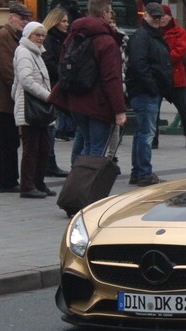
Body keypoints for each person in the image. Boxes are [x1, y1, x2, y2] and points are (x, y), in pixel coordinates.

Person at [49, 0, 126, 160]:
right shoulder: (106, 41)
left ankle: (77, 180)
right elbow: (111, 78)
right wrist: (119, 110)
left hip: (76, 101)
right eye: (110, 12)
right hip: (99, 104)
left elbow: (62, 65)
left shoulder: (73, 35)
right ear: (105, 13)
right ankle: (88, 184)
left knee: (88, 144)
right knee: (97, 150)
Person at [125, 2, 173, 186]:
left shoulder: (150, 35)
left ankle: (138, 172)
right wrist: (153, 87)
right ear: (145, 15)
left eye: (159, 16)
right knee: (146, 134)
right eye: (154, 16)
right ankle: (143, 173)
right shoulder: (143, 37)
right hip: (145, 91)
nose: (158, 20)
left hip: (148, 90)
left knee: (142, 133)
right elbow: (139, 65)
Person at [12, 22, 56, 198]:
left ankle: (38, 182)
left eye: (43, 35)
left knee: (43, 147)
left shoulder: (36, 53)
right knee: (31, 149)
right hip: (30, 108)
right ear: (29, 35)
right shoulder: (24, 52)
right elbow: (26, 80)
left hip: (38, 108)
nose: (40, 38)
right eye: (37, 35)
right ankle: (28, 186)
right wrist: (48, 96)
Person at [0, 4, 31, 194]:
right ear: (11, 18)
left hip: (9, 96)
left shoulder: (15, 37)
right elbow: (8, 69)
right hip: (7, 97)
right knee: (9, 140)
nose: (24, 21)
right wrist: (18, 90)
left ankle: (5, 178)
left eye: (26, 19)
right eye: (21, 18)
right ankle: (7, 180)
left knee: (8, 139)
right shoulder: (4, 36)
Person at [161, 5, 186, 148]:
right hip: (159, 76)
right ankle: (154, 140)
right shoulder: (155, 32)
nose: (162, 18)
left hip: (175, 75)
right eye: (159, 16)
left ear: (170, 16)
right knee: (154, 107)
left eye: (164, 15)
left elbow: (180, 51)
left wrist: (163, 59)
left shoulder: (179, 32)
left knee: (182, 107)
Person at [41, 7, 70, 177]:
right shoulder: (50, 39)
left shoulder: (63, 39)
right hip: (52, 87)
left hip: (59, 86)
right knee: (51, 126)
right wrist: (64, 71)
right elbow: (49, 62)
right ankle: (48, 162)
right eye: (64, 21)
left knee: (53, 125)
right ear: (55, 21)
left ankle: (49, 161)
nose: (67, 24)